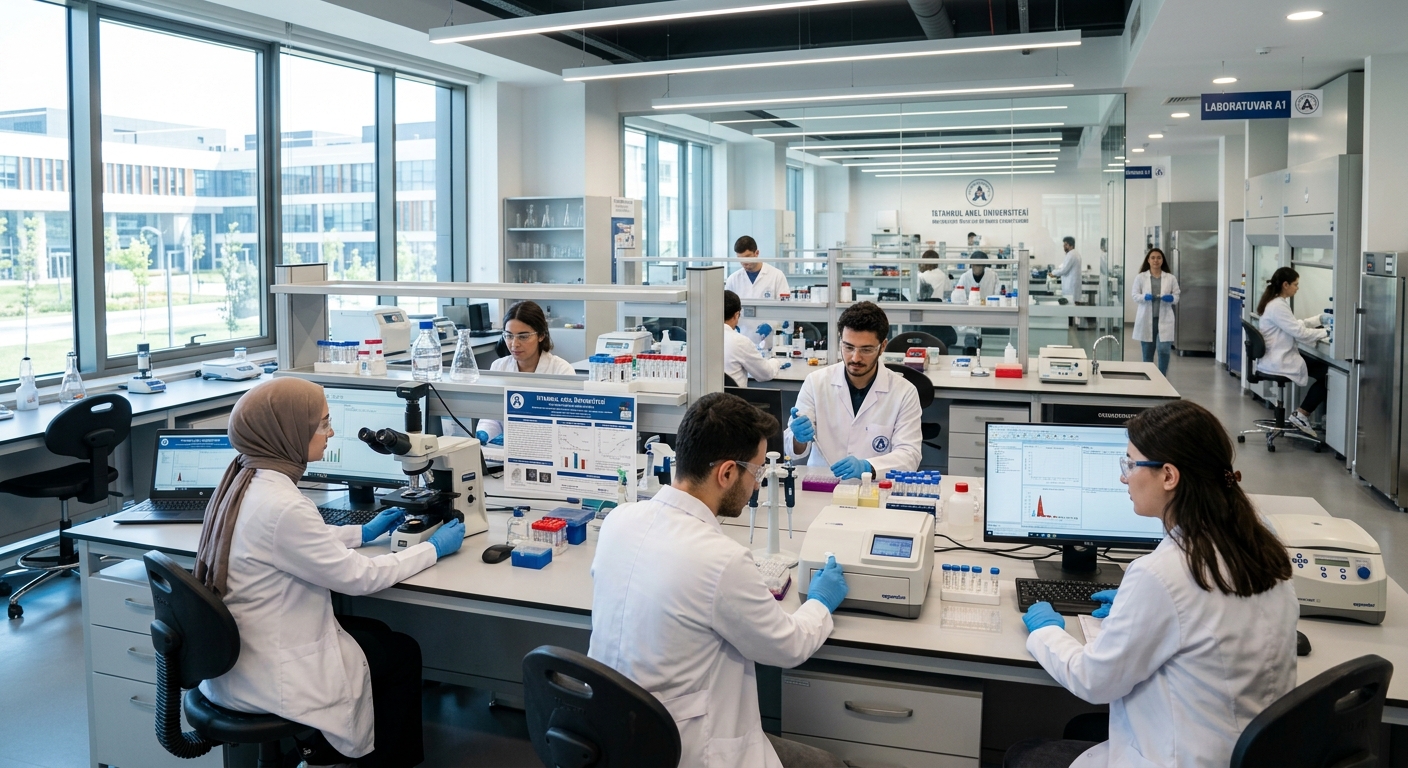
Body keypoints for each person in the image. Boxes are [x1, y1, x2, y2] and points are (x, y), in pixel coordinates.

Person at [195, 377, 465, 768]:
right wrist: (431, 549)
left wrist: (361, 532)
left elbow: (287, 541)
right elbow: (360, 578)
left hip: (233, 658)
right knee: (402, 652)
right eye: (322, 423)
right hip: (272, 673)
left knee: (378, 632)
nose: (331, 432)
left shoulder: (243, 477)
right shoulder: (284, 505)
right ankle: (370, 761)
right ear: (288, 431)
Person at [1012, 400, 1297, 768]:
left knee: (1025, 755)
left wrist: (1047, 632)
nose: (1124, 477)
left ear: (1168, 476)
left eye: (1131, 464)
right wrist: (1139, 609)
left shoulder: (1163, 573)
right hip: (1240, 753)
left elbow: (1094, 680)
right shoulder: (1259, 548)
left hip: (1182, 759)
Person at [589, 392, 850, 768]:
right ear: (727, 473)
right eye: (756, 472)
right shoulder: (721, 559)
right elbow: (788, 646)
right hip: (688, 751)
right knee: (830, 765)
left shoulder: (619, 520)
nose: (757, 485)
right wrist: (820, 603)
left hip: (616, 737)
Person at [786, 301, 923, 478]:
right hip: (823, 482)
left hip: (874, 485)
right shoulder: (816, 382)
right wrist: (798, 439)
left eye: (866, 350)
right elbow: (793, 449)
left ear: (882, 346)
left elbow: (909, 455)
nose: (855, 358)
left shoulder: (904, 392)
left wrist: (868, 467)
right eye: (848, 347)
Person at [476, 300, 576, 446]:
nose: (514, 344)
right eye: (509, 335)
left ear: (541, 335)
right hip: (506, 450)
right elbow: (492, 417)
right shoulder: (499, 367)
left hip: (547, 449)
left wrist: (522, 437)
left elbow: (567, 425)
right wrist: (484, 432)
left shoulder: (561, 370)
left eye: (523, 336)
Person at [1255, 267, 1331, 436]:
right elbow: (1299, 333)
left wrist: (1318, 319)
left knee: (1321, 369)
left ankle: (1302, 414)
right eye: (1295, 284)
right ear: (1285, 285)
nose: (1297, 288)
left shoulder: (1275, 302)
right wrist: (1327, 332)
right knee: (1327, 375)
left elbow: (1293, 325)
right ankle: (1302, 414)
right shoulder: (1278, 306)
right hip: (1278, 360)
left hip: (1276, 356)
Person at [724, 235, 790, 348]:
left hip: (769, 341)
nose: (744, 262)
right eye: (740, 259)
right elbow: (726, 310)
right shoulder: (733, 279)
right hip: (740, 340)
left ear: (757, 253)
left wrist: (772, 325)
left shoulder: (776, 276)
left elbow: (786, 309)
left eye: (747, 257)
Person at [724, 289, 789, 387]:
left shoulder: (701, 338)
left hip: (705, 397)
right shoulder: (739, 342)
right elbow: (765, 374)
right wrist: (776, 361)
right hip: (730, 397)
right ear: (736, 315)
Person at [1130, 248, 1180, 375]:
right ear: (1148, 260)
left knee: (1164, 350)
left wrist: (1171, 298)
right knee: (1147, 352)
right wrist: (1144, 297)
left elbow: (1177, 296)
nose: (1155, 260)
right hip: (1147, 319)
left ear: (1162, 260)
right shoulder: (1141, 277)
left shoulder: (1170, 278)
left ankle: (1162, 377)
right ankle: (1149, 378)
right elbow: (1135, 295)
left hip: (1165, 319)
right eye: (1153, 258)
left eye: (1158, 258)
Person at [1052, 236, 1083, 303]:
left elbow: (1064, 270)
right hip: (1073, 285)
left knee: (1070, 305)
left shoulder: (1071, 255)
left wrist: (1053, 273)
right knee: (1074, 303)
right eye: (1064, 244)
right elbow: (1064, 267)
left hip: (1070, 286)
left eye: (1066, 245)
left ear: (1071, 245)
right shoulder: (1076, 254)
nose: (1064, 246)